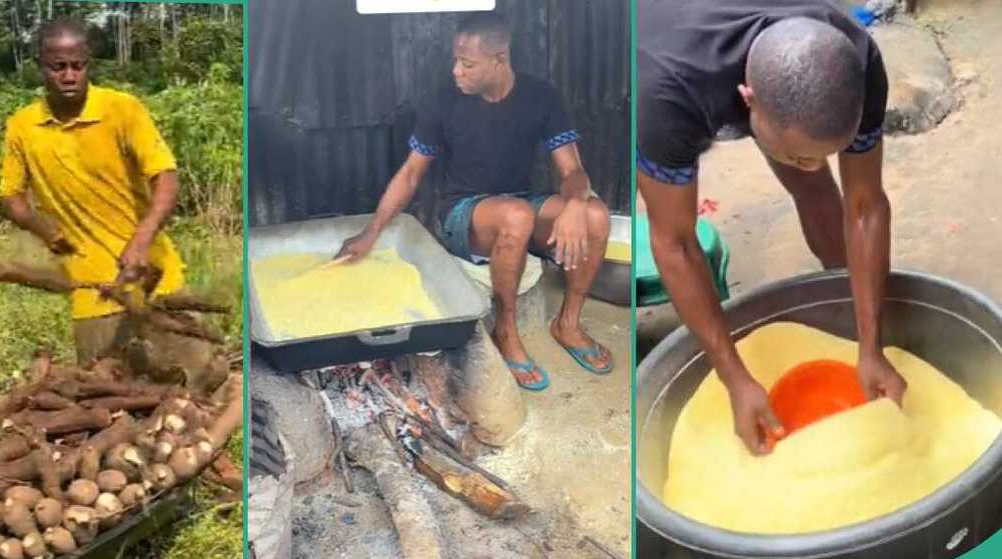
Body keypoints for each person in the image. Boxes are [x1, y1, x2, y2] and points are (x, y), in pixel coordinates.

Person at [637, 0, 907, 454]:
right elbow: (675, 243)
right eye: (801, 154)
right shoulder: (665, 94)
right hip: (652, 42)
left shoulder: (856, 58)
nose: (815, 164)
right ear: (747, 100)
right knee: (675, 214)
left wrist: (870, 344)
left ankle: (843, 306)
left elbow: (864, 206)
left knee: (813, 183)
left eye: (826, 150)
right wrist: (735, 379)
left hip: (749, 68)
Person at [338, 12, 613, 391]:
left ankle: (568, 323)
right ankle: (505, 330)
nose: (456, 71)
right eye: (456, 61)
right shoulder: (441, 102)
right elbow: (411, 173)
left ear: (500, 60)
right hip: (463, 213)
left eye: (467, 64)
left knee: (596, 215)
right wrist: (371, 233)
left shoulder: (541, 97)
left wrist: (577, 205)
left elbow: (572, 171)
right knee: (515, 217)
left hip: (520, 202)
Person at [0, 17, 203, 370]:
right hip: (92, 292)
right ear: (40, 67)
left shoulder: (121, 109)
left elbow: (166, 178)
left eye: (78, 66)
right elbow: (9, 197)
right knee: (108, 395)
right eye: (58, 67)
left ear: (89, 63)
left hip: (155, 275)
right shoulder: (22, 126)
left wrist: (141, 239)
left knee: (197, 383)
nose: (69, 76)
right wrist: (40, 225)